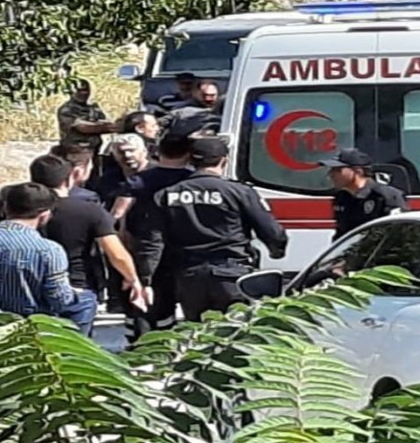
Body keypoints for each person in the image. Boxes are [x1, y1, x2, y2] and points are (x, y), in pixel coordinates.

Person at [134, 136, 288, 322]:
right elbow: (271, 231)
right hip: (232, 274)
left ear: (190, 160)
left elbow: (152, 243)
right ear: (224, 160)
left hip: (189, 277)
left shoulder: (167, 195)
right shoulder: (239, 192)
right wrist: (277, 250)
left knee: (197, 334)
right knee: (235, 333)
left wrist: (145, 279)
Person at [0, 183, 95, 333]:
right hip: (28, 327)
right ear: (44, 215)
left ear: (5, 208)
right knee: (88, 300)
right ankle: (68, 351)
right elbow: (61, 301)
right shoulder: (49, 250)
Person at [30, 154, 148, 332]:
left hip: (29, 284)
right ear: (70, 178)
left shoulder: (17, 207)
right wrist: (133, 280)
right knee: (75, 349)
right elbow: (116, 253)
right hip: (77, 285)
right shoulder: (88, 210)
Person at [112, 133, 194, 343]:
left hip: (146, 248)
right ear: (188, 154)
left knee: (148, 302)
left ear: (157, 152)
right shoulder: (194, 181)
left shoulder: (139, 181)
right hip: (188, 251)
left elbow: (118, 216)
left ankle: (144, 346)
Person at [318, 148, 409, 240]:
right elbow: (342, 233)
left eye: (338, 170)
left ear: (358, 171)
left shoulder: (386, 196)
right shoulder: (342, 197)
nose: (331, 174)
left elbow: (398, 234)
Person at [56, 80, 117, 153]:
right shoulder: (67, 109)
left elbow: (104, 122)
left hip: (94, 149)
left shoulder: (93, 108)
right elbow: (83, 128)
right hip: (75, 150)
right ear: (71, 91)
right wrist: (113, 128)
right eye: (79, 90)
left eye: (86, 90)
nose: (84, 93)